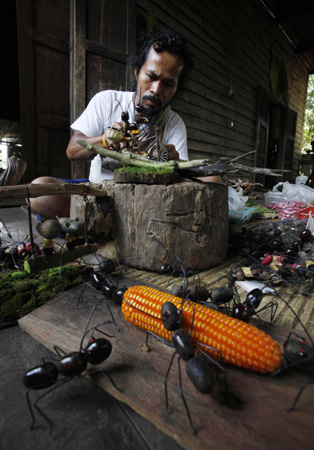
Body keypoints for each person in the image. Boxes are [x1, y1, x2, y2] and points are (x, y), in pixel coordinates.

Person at [30, 29, 194, 219]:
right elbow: (72, 151)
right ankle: (103, 222)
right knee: (38, 192)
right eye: (151, 77)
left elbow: (184, 176)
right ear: (136, 71)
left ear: (176, 88)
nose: (156, 89)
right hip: (98, 192)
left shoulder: (174, 123)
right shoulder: (107, 100)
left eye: (168, 84)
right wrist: (106, 140)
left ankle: (98, 226)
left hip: (148, 201)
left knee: (212, 181)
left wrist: (171, 160)